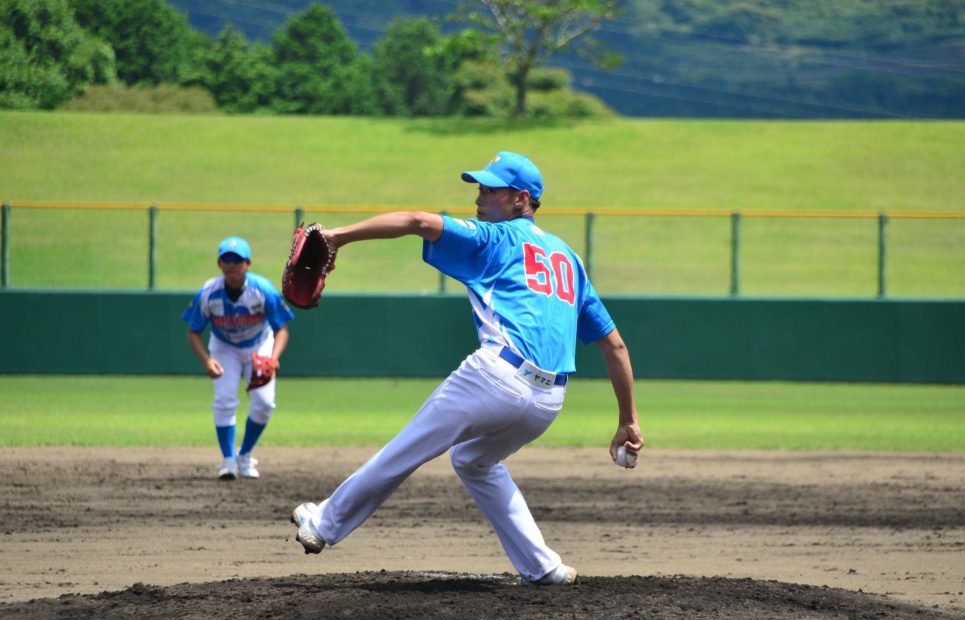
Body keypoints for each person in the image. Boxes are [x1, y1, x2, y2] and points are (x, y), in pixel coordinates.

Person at [291, 151, 643, 585]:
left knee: (409, 446)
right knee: (474, 460)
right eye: (479, 188)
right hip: (548, 401)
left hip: (496, 378)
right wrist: (627, 419)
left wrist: (336, 237)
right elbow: (615, 344)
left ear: (522, 200)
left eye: (491, 190)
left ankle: (323, 522)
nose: (479, 197)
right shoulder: (569, 259)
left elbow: (417, 221)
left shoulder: (496, 239)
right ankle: (542, 566)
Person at [182, 236, 294, 480]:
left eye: (237, 260)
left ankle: (244, 455)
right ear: (219, 263)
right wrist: (206, 360)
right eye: (226, 260)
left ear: (248, 263)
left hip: (259, 345)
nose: (231, 265)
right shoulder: (209, 293)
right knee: (224, 400)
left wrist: (273, 358)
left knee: (264, 404)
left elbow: (281, 329)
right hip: (224, 347)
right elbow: (193, 332)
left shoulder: (262, 289)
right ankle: (228, 460)